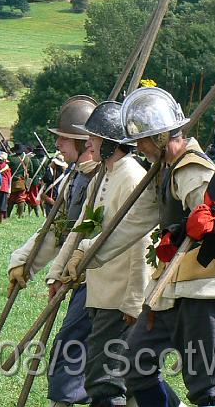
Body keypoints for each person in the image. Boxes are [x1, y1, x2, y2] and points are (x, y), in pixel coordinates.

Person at [63, 87, 215, 407]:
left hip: (204, 289)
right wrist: (87, 254)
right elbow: (131, 223)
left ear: (161, 137)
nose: (139, 147)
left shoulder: (192, 169)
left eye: (144, 139)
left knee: (207, 384)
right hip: (169, 288)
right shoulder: (163, 171)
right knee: (134, 366)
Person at [50, 101, 153, 406]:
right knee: (110, 375)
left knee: (106, 380)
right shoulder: (102, 176)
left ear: (110, 143)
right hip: (98, 290)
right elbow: (80, 229)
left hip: (119, 296)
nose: (89, 144)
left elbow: (140, 243)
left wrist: (134, 300)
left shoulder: (132, 178)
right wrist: (57, 273)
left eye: (94, 138)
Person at [8, 95, 98, 407]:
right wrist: (24, 264)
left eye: (63, 138)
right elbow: (57, 230)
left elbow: (89, 234)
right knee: (101, 360)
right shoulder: (75, 177)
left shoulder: (103, 179)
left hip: (101, 280)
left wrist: (62, 272)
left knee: (73, 351)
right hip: (81, 280)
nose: (58, 144)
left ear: (86, 142)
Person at [8, 143, 30, 218]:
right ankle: (20, 215)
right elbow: (31, 170)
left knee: (11, 198)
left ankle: (7, 215)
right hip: (22, 181)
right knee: (21, 198)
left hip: (13, 181)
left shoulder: (10, 158)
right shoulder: (27, 158)